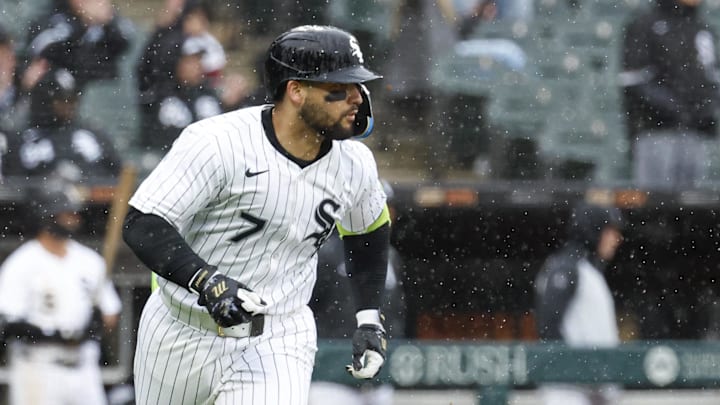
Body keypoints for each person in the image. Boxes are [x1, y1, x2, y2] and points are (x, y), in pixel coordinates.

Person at [122, 25, 391, 404]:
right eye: (339, 88)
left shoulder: (355, 163)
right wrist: (205, 280)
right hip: (180, 329)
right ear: (295, 91)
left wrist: (368, 317)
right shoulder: (218, 142)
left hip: (277, 335)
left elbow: (368, 236)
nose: (356, 99)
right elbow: (143, 223)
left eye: (358, 87)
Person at [0, 184, 122, 405]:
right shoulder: (22, 263)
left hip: (84, 365)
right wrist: (49, 334)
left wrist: (96, 322)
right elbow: (9, 322)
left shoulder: (88, 260)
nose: (72, 219)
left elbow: (111, 314)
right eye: (65, 214)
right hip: (38, 367)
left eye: (73, 214)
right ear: (47, 216)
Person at [308, 180, 405, 405]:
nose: (385, 214)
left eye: (387, 208)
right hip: (331, 378)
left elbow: (397, 315)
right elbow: (306, 310)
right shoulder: (327, 252)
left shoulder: (391, 257)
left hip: (378, 378)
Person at [620, 0, 720, 189]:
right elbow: (633, 81)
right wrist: (674, 107)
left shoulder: (702, 28)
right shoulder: (645, 24)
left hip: (695, 134)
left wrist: (704, 109)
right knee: (655, 205)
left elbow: (713, 78)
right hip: (656, 132)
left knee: (695, 206)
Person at [534, 202, 624, 405]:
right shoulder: (566, 267)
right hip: (568, 392)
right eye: (610, 231)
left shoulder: (589, 271)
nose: (616, 239)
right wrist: (574, 371)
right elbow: (548, 327)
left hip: (594, 391)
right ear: (593, 230)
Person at [1, 67, 122, 180]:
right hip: (38, 200)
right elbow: (13, 185)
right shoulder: (21, 141)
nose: (69, 105)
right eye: (62, 100)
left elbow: (119, 176)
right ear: (45, 100)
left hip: (95, 201)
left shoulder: (93, 135)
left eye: (73, 99)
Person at [138, 35, 223, 154]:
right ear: (175, 63)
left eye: (199, 60)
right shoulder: (160, 96)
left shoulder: (209, 94)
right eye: (190, 62)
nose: (197, 66)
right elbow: (154, 141)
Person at [23, 0, 133, 89]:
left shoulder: (109, 22)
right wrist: (84, 23)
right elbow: (43, 49)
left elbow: (126, 45)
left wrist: (109, 24)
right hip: (60, 97)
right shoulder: (51, 17)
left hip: (101, 95)